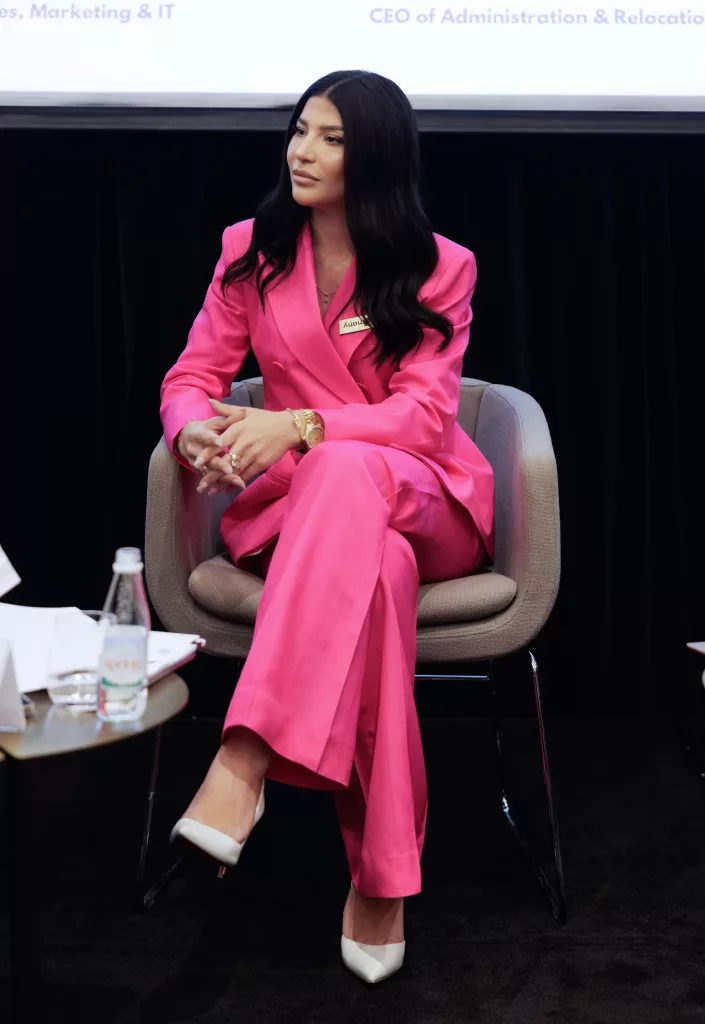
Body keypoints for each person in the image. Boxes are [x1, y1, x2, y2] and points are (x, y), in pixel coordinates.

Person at [160, 69, 494, 984]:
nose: (302, 151)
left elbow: (423, 418)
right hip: (308, 520)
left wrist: (301, 426)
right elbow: (191, 377)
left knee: (347, 470)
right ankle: (383, 875)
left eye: (331, 138)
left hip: (424, 499)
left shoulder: (440, 265)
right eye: (299, 130)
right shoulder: (250, 251)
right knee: (375, 572)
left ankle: (244, 759)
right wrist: (193, 432)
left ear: (376, 156)